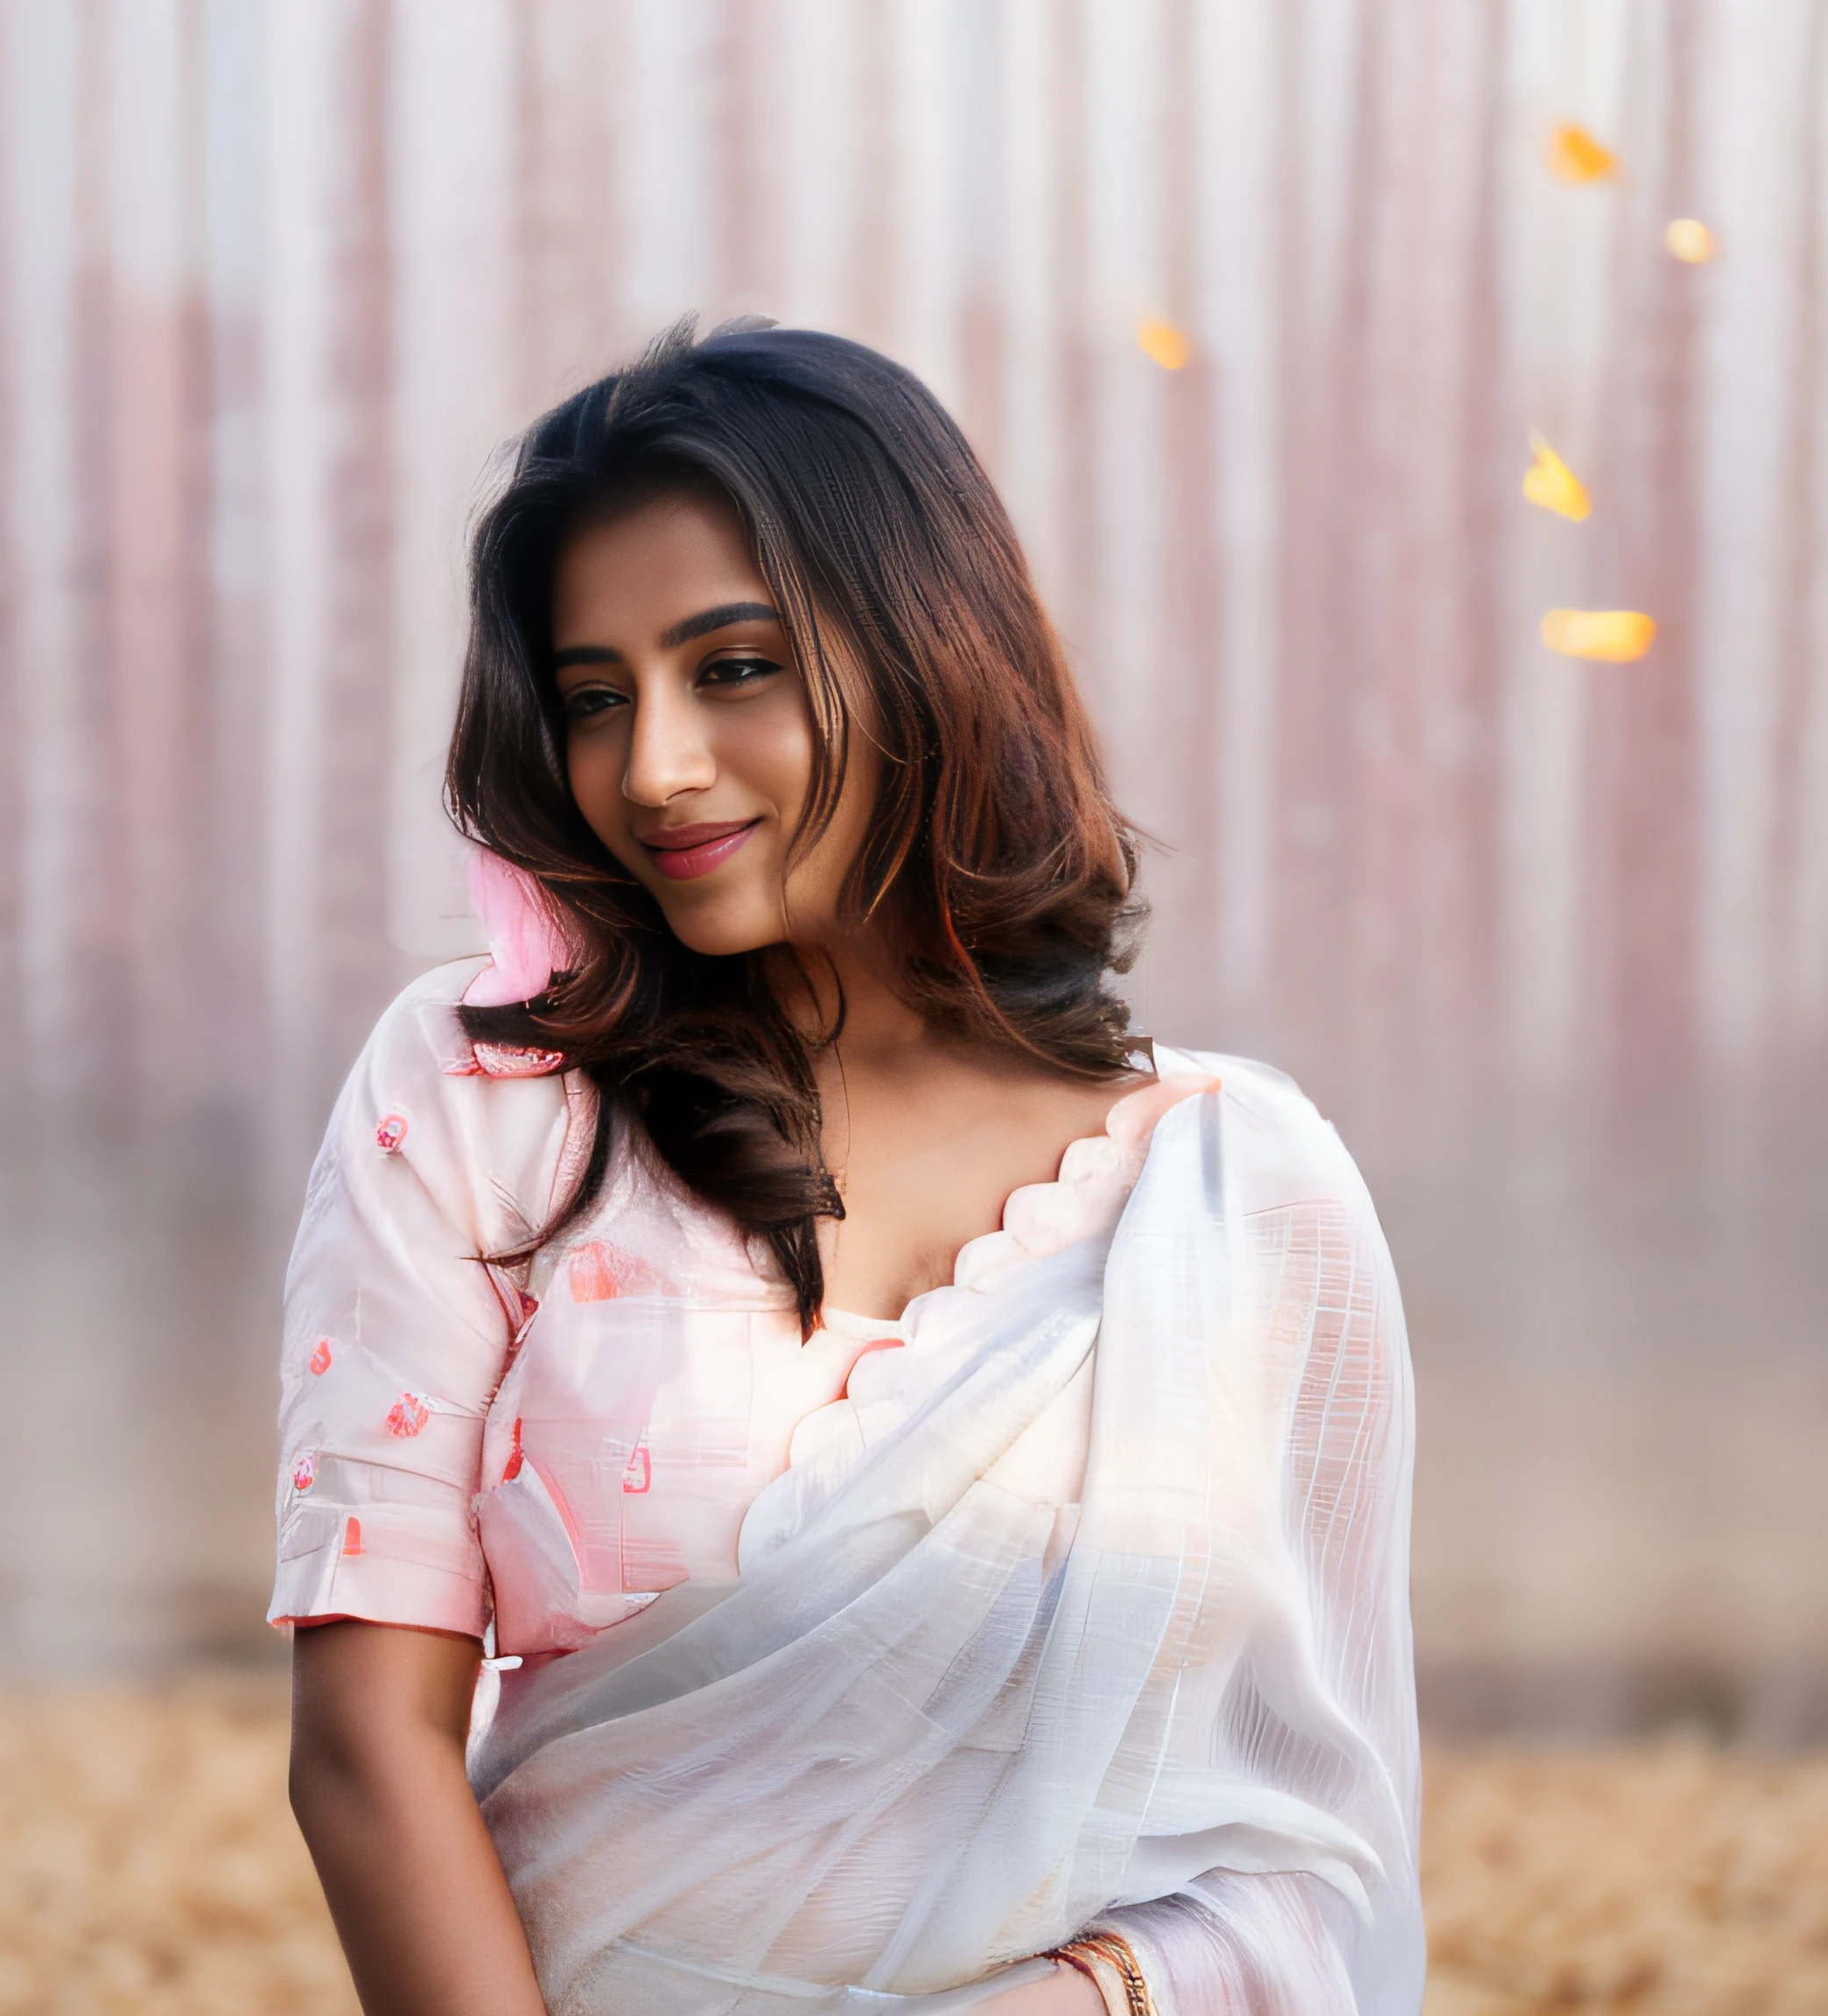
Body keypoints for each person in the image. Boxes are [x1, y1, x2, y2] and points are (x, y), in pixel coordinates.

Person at [273, 322, 1421, 2015]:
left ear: (926, 652)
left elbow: (1308, 1851)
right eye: (597, 698)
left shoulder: (1239, 1195)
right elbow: (367, 1751)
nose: (651, 768)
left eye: (731, 667)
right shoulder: (492, 1091)